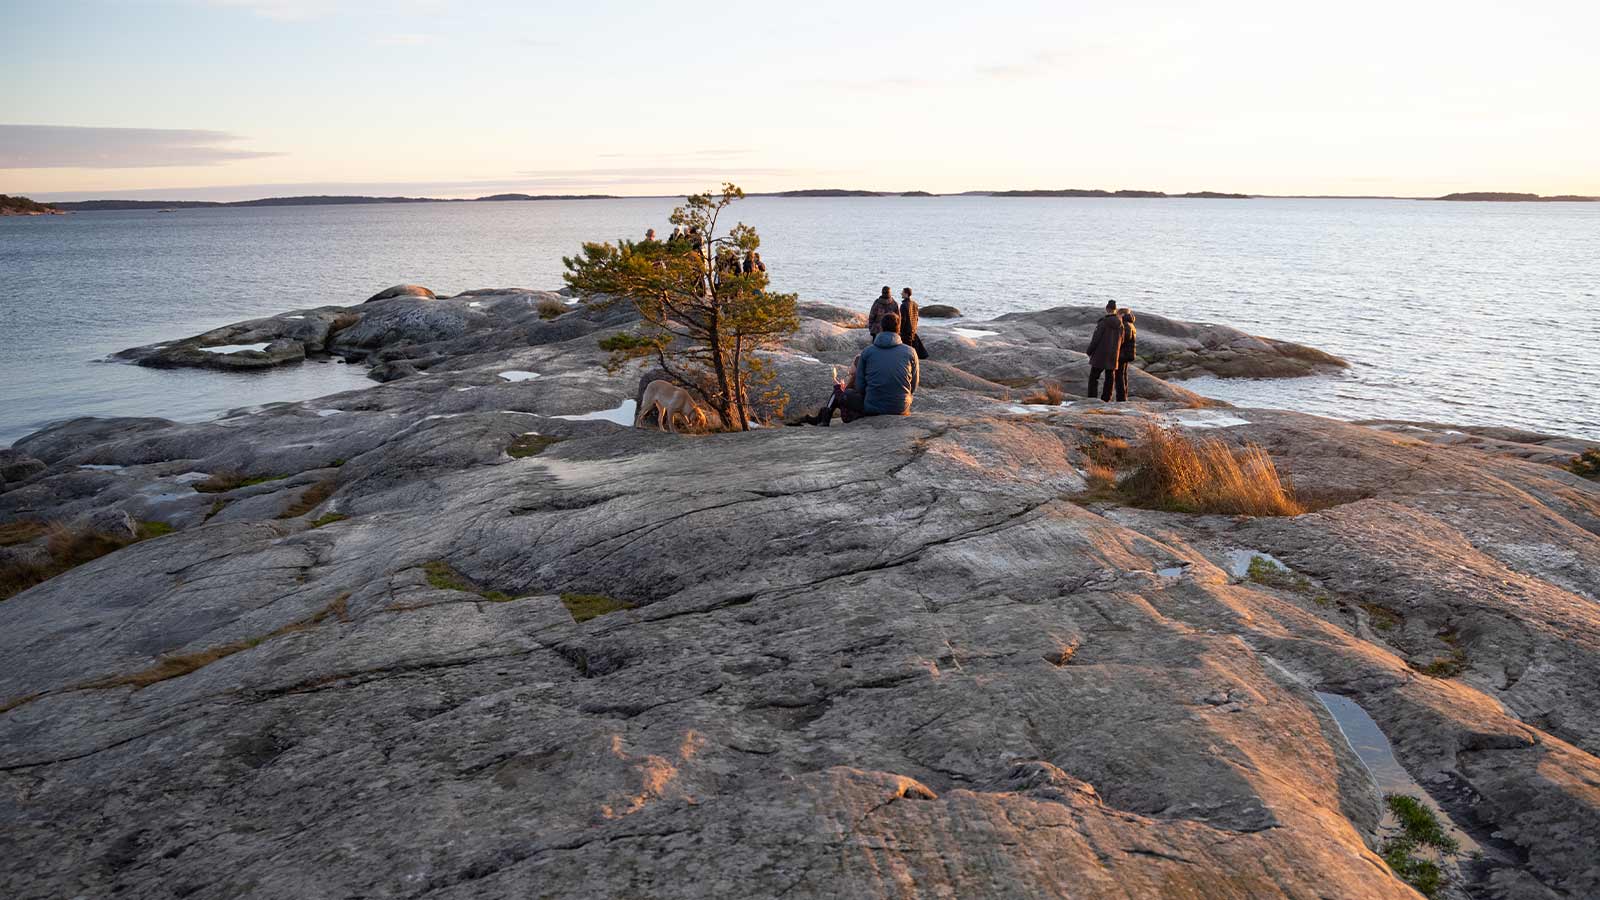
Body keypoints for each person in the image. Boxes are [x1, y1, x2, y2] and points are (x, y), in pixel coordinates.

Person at [794, 311, 919, 425]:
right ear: (898, 329)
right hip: (901, 408)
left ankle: (824, 419)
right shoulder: (910, 352)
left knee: (843, 392)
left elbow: (860, 386)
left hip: (873, 407)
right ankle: (824, 417)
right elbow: (913, 385)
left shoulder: (868, 352)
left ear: (881, 328)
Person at [1085, 300, 1123, 401]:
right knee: (1110, 377)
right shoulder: (1120, 324)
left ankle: (1092, 398)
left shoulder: (1103, 322)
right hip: (1113, 354)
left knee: (1094, 377)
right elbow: (1122, 339)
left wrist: (1089, 351)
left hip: (1100, 354)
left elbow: (1096, 338)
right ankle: (1106, 398)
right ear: (1115, 310)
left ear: (1107, 309)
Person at [1113, 309, 1137, 402]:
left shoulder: (1125, 325)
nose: (1117, 317)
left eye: (1118, 315)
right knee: (1123, 375)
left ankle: (1121, 398)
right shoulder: (1130, 324)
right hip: (1127, 353)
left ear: (1122, 315)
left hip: (1123, 354)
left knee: (1119, 376)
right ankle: (1124, 396)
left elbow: (1124, 339)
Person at [898, 287, 927, 359]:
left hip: (906, 331)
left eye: (902, 292)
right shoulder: (915, 304)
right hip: (913, 329)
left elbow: (903, 320)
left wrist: (899, 331)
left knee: (906, 350)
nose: (901, 293)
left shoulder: (904, 305)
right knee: (911, 348)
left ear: (906, 294)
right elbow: (916, 318)